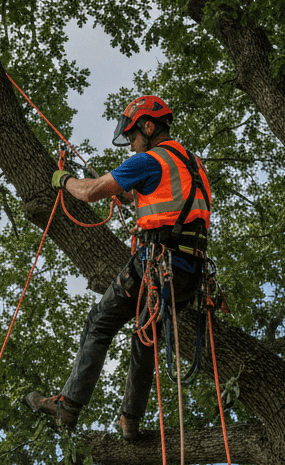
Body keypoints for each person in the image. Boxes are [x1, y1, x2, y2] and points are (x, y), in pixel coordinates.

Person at [24, 95, 212, 439]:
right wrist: (127, 193)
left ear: (149, 127)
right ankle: (130, 421)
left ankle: (68, 406)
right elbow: (166, 199)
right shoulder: (191, 164)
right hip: (189, 273)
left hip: (158, 263)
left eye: (134, 137)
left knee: (100, 321)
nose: (133, 147)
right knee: (145, 338)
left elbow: (90, 192)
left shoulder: (150, 160)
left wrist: (64, 180)